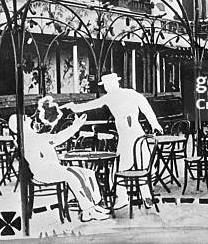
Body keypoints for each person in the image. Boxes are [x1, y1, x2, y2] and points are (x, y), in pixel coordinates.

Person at [62, 73, 164, 209]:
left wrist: (73, 107)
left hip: (128, 137)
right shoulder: (130, 94)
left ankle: (123, 198)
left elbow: (90, 105)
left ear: (110, 85)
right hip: (137, 135)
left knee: (120, 169)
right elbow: (147, 109)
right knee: (141, 167)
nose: (106, 88)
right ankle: (146, 198)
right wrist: (155, 124)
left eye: (106, 85)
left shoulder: (112, 97)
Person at [9, 97, 109, 222]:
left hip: (51, 169)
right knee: (74, 177)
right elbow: (58, 138)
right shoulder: (32, 138)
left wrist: (75, 126)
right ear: (21, 125)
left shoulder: (30, 137)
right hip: (45, 172)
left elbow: (54, 139)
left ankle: (95, 206)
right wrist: (76, 126)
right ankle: (87, 211)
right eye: (24, 118)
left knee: (88, 173)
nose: (28, 118)